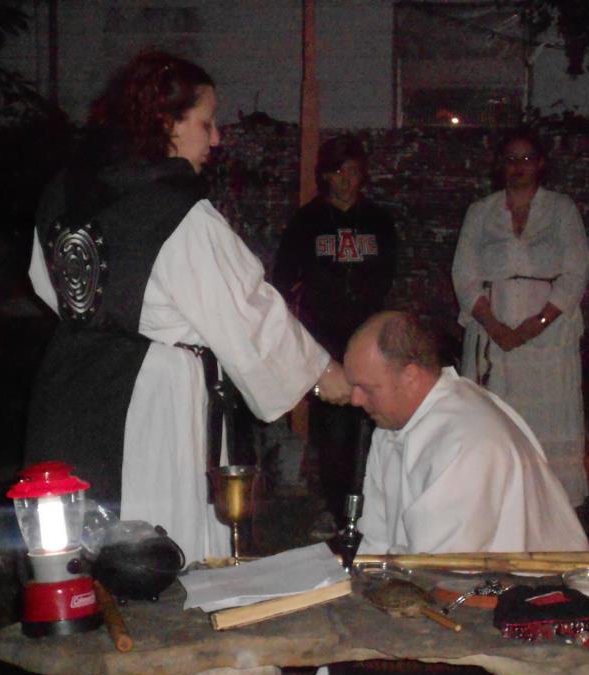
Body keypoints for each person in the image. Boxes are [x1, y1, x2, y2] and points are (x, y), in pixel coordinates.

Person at [25, 50, 350, 564]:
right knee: (155, 543)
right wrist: (321, 371)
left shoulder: (64, 190)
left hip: (69, 384)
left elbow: (48, 284)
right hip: (151, 398)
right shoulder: (176, 212)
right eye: (206, 121)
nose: (216, 138)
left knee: (80, 543)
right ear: (165, 123)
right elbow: (243, 308)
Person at [299, 311, 589, 675]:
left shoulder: (465, 439)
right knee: (339, 670)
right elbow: (377, 543)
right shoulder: (396, 422)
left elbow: (443, 573)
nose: (356, 400)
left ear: (411, 377)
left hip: (519, 626)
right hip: (444, 595)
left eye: (367, 388)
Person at [452, 127, 589, 507]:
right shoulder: (480, 213)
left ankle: (553, 509)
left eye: (527, 158)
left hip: (548, 339)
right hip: (492, 332)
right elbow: (464, 274)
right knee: (494, 421)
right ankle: (494, 505)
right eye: (511, 159)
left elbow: (577, 270)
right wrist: (493, 325)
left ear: (541, 164)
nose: (518, 167)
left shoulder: (561, 210)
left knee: (546, 421)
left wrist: (536, 324)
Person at [272, 134, 397, 531]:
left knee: (372, 423)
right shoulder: (307, 223)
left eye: (353, 171)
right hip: (325, 341)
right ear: (325, 175)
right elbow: (283, 279)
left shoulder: (377, 222)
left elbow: (389, 276)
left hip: (369, 340)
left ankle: (371, 504)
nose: (346, 180)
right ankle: (334, 503)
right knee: (333, 429)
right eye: (339, 171)